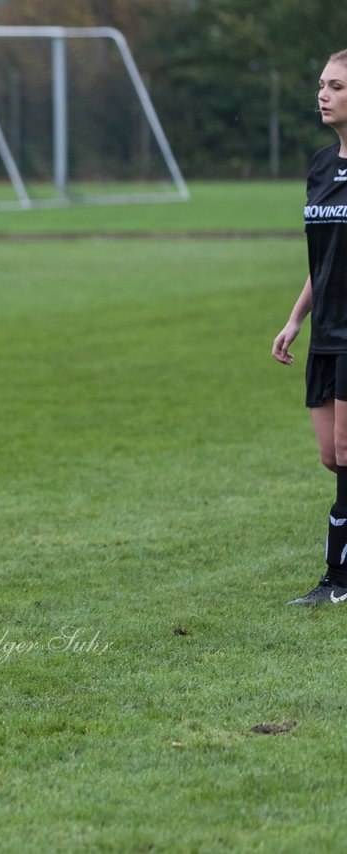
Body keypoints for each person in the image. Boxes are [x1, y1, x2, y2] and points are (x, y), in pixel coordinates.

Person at [274, 49, 347, 605]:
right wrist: (296, 317)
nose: (323, 94)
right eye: (322, 84)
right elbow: (323, 258)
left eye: (336, 86)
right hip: (325, 328)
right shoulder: (321, 166)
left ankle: (337, 581)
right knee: (331, 456)